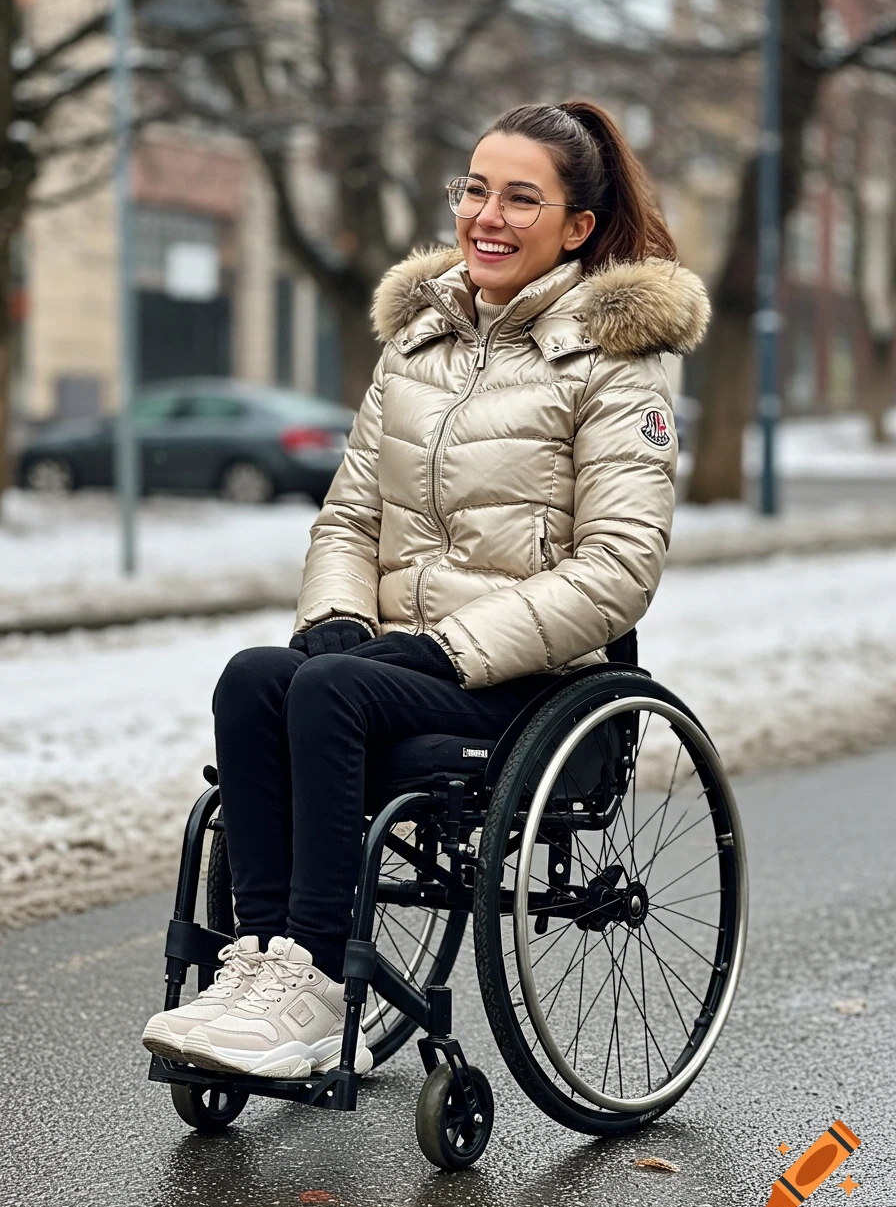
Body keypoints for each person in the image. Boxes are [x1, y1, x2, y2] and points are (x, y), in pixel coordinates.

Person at [142, 100, 710, 1081]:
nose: (485, 214)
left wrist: (447, 646)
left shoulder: (619, 361)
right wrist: (333, 616)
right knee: (257, 675)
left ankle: (320, 984)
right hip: (393, 656)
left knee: (327, 691)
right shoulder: (417, 339)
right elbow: (350, 518)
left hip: (529, 674)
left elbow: (617, 571)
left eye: (519, 197)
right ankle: (266, 960)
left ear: (576, 226)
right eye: (473, 189)